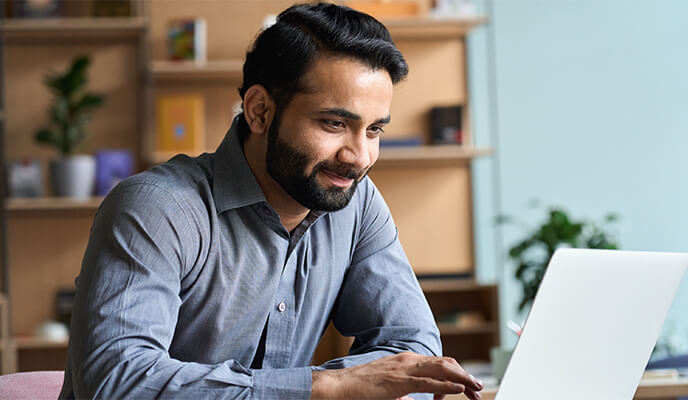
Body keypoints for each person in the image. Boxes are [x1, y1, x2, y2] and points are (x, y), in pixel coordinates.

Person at [59, 3, 484, 400]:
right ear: (259, 111)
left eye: (374, 131)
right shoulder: (157, 208)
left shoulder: (356, 203)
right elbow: (118, 381)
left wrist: (341, 384)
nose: (359, 157)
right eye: (335, 123)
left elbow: (414, 347)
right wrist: (325, 387)